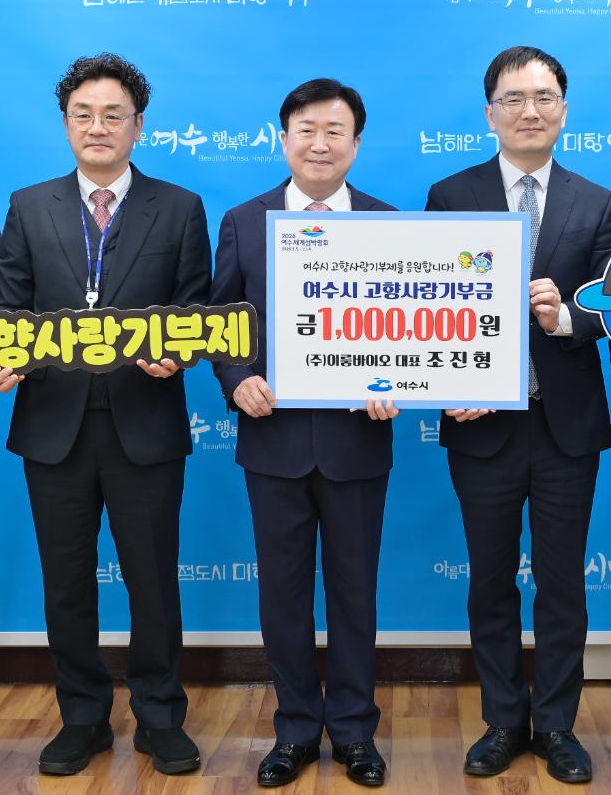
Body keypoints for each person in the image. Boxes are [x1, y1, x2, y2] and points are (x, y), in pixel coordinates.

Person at [0, 53, 211, 776]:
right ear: (65, 124)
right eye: (83, 114)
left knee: (153, 581)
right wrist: (5, 357)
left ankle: (159, 716)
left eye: (114, 115)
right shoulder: (29, 205)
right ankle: (82, 717)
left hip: (146, 424)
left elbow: (197, 309)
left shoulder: (180, 207)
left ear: (139, 125)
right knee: (66, 582)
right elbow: (8, 308)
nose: (98, 127)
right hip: (55, 426)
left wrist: (182, 353)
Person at [424, 46, 611, 783]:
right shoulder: (452, 194)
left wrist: (564, 316)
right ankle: (504, 721)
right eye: (514, 98)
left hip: (566, 425)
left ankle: (558, 725)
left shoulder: (595, 201)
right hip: (483, 424)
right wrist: (444, 380)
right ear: (490, 113)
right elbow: (428, 304)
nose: (529, 110)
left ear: (563, 110)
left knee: (563, 582)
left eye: (543, 97)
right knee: (491, 580)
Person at [211, 79, 398, 788]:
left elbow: (407, 323)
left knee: (355, 595)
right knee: (283, 596)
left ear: (356, 143)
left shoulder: (388, 225)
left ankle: (353, 732)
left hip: (358, 444)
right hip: (274, 442)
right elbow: (221, 322)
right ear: (283, 139)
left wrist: (399, 383)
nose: (320, 144)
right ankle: (293, 730)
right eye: (306, 131)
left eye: (335, 131)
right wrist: (237, 379)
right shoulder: (243, 221)